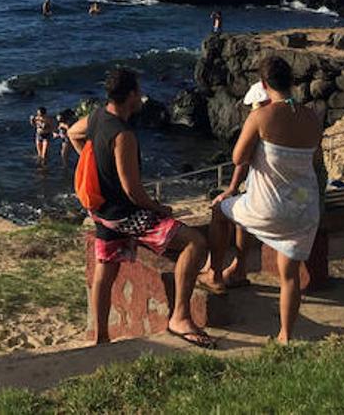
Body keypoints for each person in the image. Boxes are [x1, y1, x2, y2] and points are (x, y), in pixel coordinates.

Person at [67, 68, 212, 348]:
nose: (141, 95)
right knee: (195, 242)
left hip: (102, 213)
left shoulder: (98, 116)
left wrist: (94, 164)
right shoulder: (123, 136)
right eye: (139, 91)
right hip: (126, 216)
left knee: (104, 273)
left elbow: (74, 133)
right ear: (131, 95)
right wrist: (159, 208)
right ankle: (179, 317)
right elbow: (133, 191)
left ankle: (100, 337)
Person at [204, 55, 324, 344]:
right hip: (305, 210)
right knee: (289, 274)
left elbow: (237, 157)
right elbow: (318, 164)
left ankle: (216, 274)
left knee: (221, 210)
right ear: (292, 82)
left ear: (263, 84)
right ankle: (285, 336)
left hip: (269, 210)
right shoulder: (311, 117)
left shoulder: (261, 116)